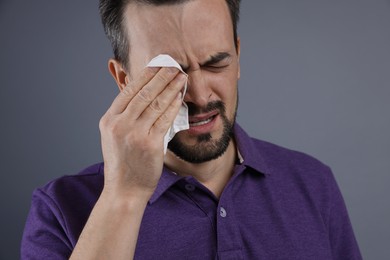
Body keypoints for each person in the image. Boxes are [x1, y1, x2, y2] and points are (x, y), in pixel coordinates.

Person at [21, 0, 362, 259]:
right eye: (170, 73)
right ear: (124, 79)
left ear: (239, 57)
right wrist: (125, 196)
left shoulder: (314, 183)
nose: (199, 96)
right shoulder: (58, 210)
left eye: (216, 63)